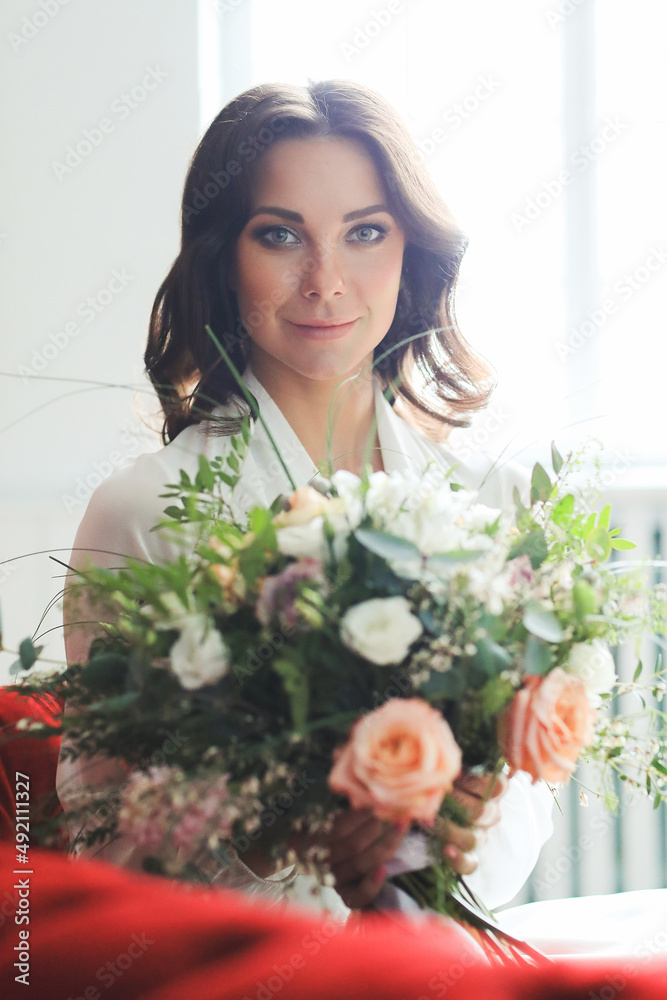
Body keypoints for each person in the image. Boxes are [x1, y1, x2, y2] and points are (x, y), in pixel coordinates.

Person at [56, 79, 554, 920]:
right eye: (281, 235)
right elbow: (100, 839)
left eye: (364, 233)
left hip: (444, 960)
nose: (325, 281)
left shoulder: (492, 500)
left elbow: (525, 823)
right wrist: (262, 847)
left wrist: (460, 828)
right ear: (224, 256)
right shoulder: (141, 512)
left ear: (410, 253)